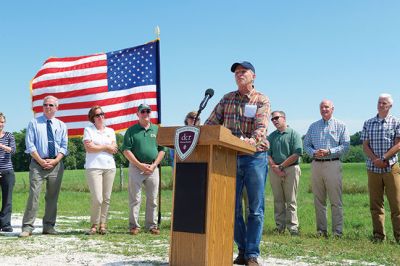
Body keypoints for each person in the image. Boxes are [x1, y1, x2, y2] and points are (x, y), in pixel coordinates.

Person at [205, 61, 269, 266]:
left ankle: (252, 254)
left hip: (254, 157)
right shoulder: (227, 99)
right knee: (231, 208)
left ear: (253, 76)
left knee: (255, 209)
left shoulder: (261, 99)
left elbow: (261, 126)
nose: (239, 75)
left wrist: (253, 139)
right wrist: (200, 132)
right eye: (237, 73)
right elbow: (211, 124)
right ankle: (242, 249)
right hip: (230, 158)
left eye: (243, 72)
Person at [19, 95, 68, 237]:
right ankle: (27, 227)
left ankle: (48, 226)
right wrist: (40, 161)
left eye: (51, 105)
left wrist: (55, 161)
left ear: (56, 108)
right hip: (37, 164)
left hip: (56, 164)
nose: (48, 107)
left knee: (52, 196)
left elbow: (64, 147)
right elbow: (30, 144)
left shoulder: (61, 125)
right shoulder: (34, 123)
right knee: (34, 195)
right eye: (45, 105)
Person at [304, 99, 350, 238]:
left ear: (332, 108)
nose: (324, 109)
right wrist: (313, 153)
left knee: (335, 200)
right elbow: (306, 144)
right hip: (316, 164)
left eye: (326, 107)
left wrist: (329, 151)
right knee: (319, 200)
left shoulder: (341, 125)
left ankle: (337, 232)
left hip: (332, 163)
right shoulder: (313, 126)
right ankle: (321, 231)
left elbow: (345, 146)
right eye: (322, 107)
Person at [360, 93, 400, 243]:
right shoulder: (368, 122)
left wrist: (383, 158)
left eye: (384, 103)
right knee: (375, 205)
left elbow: (398, 144)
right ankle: (378, 236)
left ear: (390, 106)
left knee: (396, 204)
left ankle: (399, 236)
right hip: (373, 169)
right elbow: (365, 145)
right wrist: (375, 160)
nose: (381, 105)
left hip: (391, 168)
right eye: (379, 102)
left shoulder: (396, 122)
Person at [122, 104, 166, 235]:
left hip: (153, 167)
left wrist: (154, 165)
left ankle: (151, 225)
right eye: (143, 111)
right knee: (135, 198)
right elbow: (126, 150)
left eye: (148, 111)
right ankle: (134, 226)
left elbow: (162, 150)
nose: (146, 113)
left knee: (152, 198)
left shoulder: (157, 129)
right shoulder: (131, 130)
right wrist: (140, 165)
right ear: (138, 114)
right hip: (136, 167)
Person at [83, 106, 118, 235]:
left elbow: (114, 149)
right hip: (94, 167)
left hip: (109, 166)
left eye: (102, 114)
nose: (101, 117)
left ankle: (102, 225)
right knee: (97, 198)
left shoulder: (111, 131)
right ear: (93, 118)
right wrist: (105, 146)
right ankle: (94, 224)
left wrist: (101, 146)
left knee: (106, 198)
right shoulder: (88, 130)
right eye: (97, 115)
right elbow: (89, 148)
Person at [267, 111, 303, 236]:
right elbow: (267, 154)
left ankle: (293, 228)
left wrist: (282, 166)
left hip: (291, 169)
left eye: (277, 118)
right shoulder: (271, 136)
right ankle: (279, 227)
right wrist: (275, 167)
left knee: (291, 200)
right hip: (274, 170)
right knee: (278, 200)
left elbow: (297, 153)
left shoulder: (294, 134)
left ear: (284, 118)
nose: (274, 121)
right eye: (272, 119)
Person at [0, 112, 16, 232]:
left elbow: (13, 150)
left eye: (2, 122)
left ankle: (5, 224)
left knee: (7, 199)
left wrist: (2, 146)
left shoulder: (9, 135)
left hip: (7, 170)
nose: (0, 124)